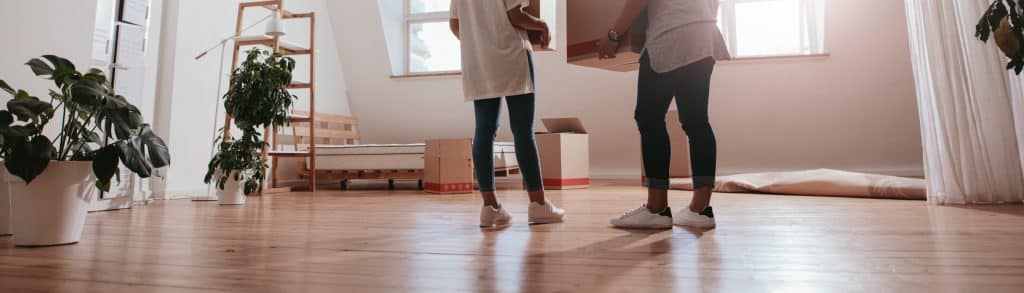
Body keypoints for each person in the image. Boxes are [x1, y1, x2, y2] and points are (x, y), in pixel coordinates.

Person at [601, 0, 730, 229]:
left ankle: (656, 208)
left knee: (649, 118)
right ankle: (700, 210)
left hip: (672, 33)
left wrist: (613, 34)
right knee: (696, 122)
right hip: (705, 35)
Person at [450, 0, 566, 227]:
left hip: (479, 63)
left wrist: (480, 42)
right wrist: (542, 25)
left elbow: (455, 24)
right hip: (511, 56)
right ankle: (538, 205)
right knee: (523, 131)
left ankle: (490, 206)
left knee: (484, 132)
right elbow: (515, 15)